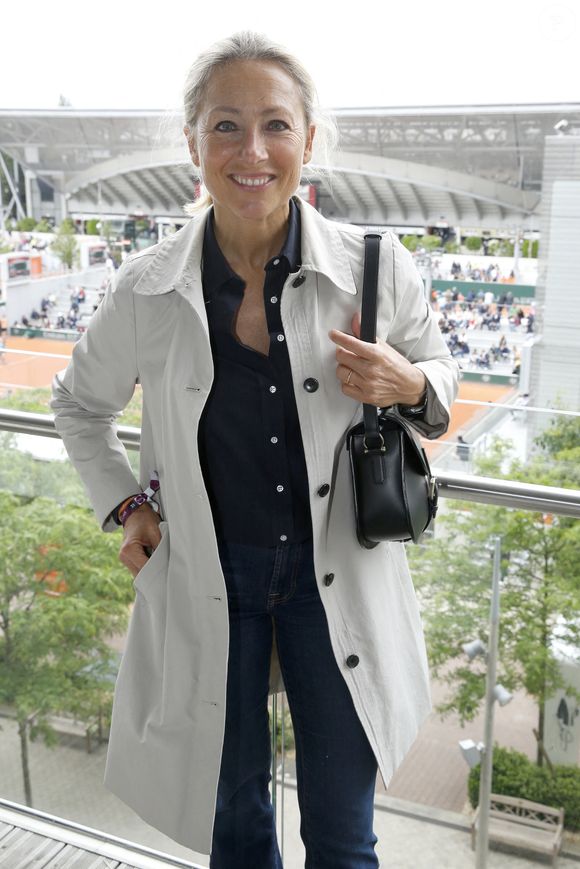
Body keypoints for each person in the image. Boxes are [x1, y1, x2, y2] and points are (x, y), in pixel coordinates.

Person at [50, 31, 458, 868]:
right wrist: (127, 507)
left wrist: (409, 384)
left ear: (310, 139)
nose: (252, 151)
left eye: (275, 124)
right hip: (209, 577)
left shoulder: (375, 268)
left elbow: (441, 390)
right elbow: (78, 406)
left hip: (334, 574)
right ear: (193, 143)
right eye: (225, 126)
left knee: (343, 837)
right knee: (232, 823)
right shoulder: (146, 287)